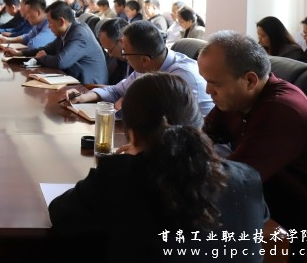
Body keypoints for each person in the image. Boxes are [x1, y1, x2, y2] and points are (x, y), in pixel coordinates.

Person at [49, 73, 268, 262]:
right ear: (199, 124)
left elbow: (61, 215)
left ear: (132, 133)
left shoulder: (119, 174)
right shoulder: (247, 178)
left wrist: (130, 162)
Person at [200, 31, 307, 237]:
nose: (207, 90)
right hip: (269, 204)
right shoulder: (236, 97)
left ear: (250, 80)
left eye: (215, 83)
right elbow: (202, 137)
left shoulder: (281, 110)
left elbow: (232, 182)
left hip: (305, 224)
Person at [63, 20, 212, 114]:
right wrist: (85, 97)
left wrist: (130, 103)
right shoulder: (146, 67)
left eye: (126, 53)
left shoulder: (183, 77)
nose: (124, 57)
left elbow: (171, 120)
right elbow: (116, 90)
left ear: (145, 60)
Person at [27, 1, 108, 84]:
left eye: (50, 22)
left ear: (61, 21)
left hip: (89, 87)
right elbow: (48, 49)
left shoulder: (80, 34)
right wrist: (22, 53)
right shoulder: (65, 32)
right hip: (74, 79)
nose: (48, 26)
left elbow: (61, 62)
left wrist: (42, 58)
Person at [96, 18, 131, 85]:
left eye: (110, 50)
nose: (110, 55)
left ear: (122, 42)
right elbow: (115, 86)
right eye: (106, 50)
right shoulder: (120, 60)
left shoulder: (139, 61)